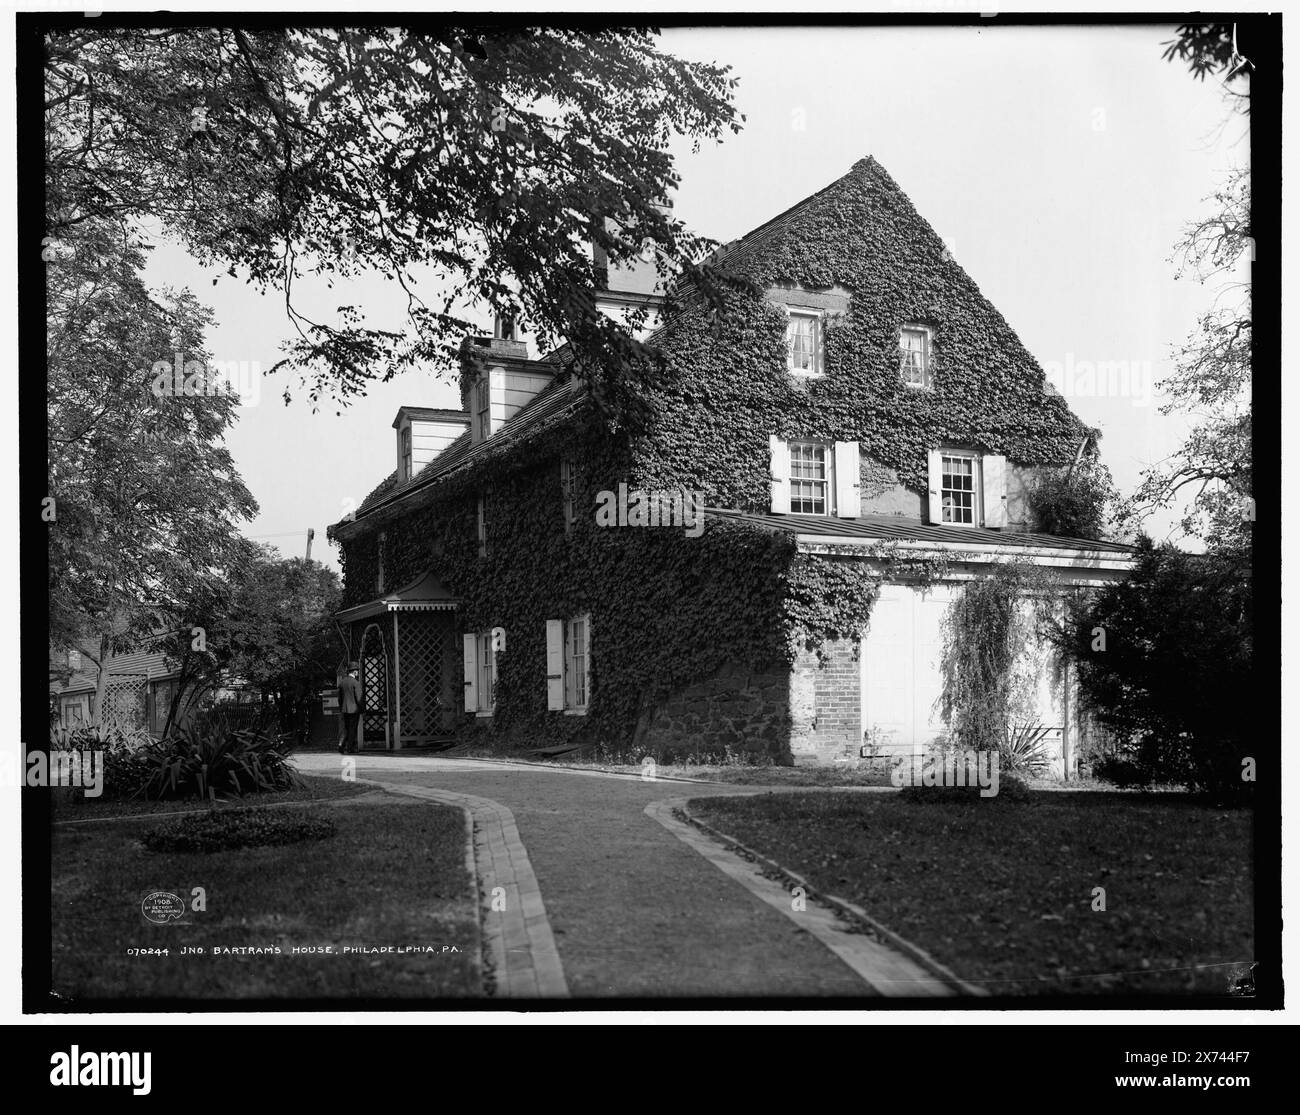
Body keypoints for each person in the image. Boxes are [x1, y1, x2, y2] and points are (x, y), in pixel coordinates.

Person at [338, 662, 363, 755]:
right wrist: (362, 710)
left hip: (344, 709)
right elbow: (359, 698)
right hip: (354, 709)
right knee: (352, 729)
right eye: (357, 670)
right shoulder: (356, 683)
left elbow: (339, 698)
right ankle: (350, 748)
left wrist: (342, 708)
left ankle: (342, 744)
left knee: (346, 728)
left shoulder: (342, 683)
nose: (357, 672)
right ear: (355, 672)